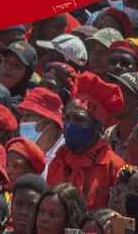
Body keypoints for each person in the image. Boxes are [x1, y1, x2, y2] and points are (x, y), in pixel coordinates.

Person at [45, 72, 126, 208]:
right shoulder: (60, 158)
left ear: (97, 126)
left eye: (79, 120)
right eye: (68, 118)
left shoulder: (114, 167)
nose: (70, 125)